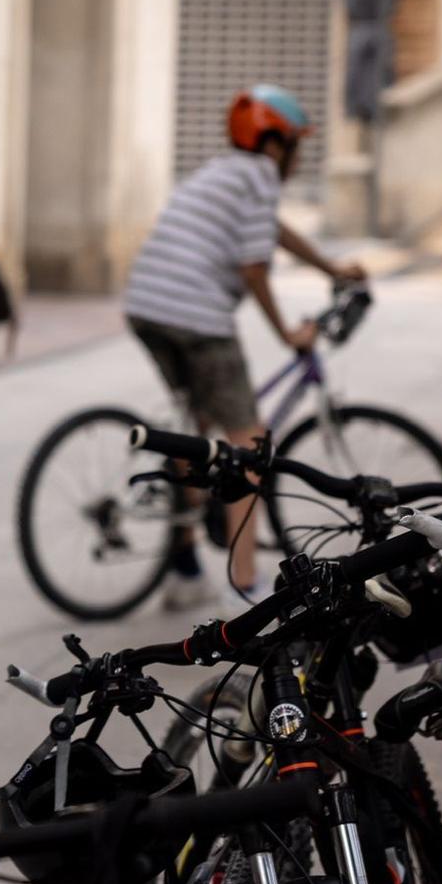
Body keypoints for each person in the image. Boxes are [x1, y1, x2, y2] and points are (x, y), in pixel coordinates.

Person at [122, 84, 367, 606]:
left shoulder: (225, 171)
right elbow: (253, 266)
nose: (298, 156)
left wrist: (330, 268)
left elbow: (272, 233)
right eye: (296, 144)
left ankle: (184, 567)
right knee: (248, 444)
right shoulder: (259, 176)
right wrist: (288, 333)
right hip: (195, 315)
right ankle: (246, 587)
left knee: (194, 432)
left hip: (147, 305)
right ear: (275, 144)